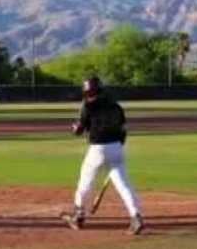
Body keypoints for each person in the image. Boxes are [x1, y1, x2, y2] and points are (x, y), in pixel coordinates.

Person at [61, 76, 145, 235]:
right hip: (117, 148)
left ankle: (78, 216)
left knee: (85, 182)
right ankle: (136, 217)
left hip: (98, 149)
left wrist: (74, 127)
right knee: (124, 185)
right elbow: (123, 131)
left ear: (87, 92)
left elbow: (79, 130)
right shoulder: (116, 106)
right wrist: (118, 146)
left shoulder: (88, 106)